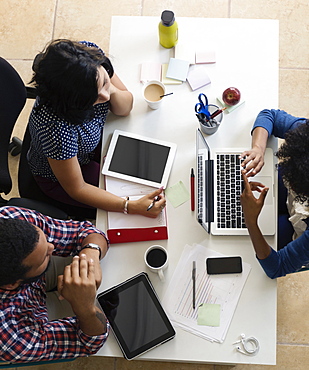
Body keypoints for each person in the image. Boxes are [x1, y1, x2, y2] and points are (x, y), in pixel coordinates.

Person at [27, 39, 165, 219]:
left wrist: (111, 89)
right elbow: (78, 188)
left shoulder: (91, 57)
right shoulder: (54, 129)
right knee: (133, 198)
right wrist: (129, 206)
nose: (105, 96)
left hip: (92, 144)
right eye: (94, 97)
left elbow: (124, 108)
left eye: (105, 83)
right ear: (73, 103)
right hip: (64, 176)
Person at [0, 205, 109, 363]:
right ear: (12, 284)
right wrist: (85, 308)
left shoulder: (11, 219)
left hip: (35, 284)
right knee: (111, 315)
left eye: (45, 239)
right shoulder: (9, 338)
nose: (52, 247)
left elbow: (85, 230)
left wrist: (90, 254)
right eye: (44, 257)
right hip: (26, 315)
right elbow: (88, 342)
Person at [240, 109, 309, 278]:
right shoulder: (306, 138)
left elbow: (276, 268)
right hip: (298, 202)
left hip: (302, 226)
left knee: (272, 231)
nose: (289, 181)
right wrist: (258, 149)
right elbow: (270, 115)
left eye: (294, 183)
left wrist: (250, 220)